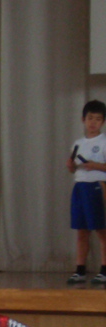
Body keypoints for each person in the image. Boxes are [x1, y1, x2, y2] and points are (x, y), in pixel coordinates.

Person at [66, 99, 106, 284]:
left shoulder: (104, 141)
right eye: (90, 118)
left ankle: (104, 270)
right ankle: (80, 270)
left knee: (101, 230)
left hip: (97, 186)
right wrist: (70, 166)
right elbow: (73, 169)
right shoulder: (78, 143)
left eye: (98, 119)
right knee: (81, 231)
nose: (93, 123)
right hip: (80, 187)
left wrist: (95, 165)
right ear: (83, 119)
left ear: (103, 122)